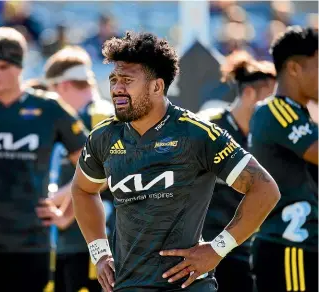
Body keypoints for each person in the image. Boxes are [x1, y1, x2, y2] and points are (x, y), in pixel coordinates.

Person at [71, 31, 281, 292]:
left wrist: (217, 249)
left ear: (157, 86)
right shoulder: (103, 136)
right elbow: (82, 189)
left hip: (189, 286)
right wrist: (100, 253)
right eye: (114, 79)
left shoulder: (196, 133)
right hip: (126, 286)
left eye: (126, 80)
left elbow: (265, 188)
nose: (116, 89)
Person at [0, 27, 88, 292]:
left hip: (31, 243)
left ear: (19, 67)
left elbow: (94, 167)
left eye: (3, 66)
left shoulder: (49, 109)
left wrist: (66, 214)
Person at [198, 51, 276, 292]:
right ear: (250, 94)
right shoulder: (208, 128)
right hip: (204, 248)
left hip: (244, 247)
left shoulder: (268, 137)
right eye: (271, 100)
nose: (276, 109)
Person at [38, 46, 114, 292]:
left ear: (63, 86)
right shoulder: (72, 117)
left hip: (93, 244)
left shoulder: (100, 115)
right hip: (67, 241)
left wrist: (57, 206)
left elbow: (99, 176)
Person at [249, 26, 318, 292]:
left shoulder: (300, 115)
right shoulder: (276, 110)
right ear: (294, 69)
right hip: (291, 249)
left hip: (301, 248)